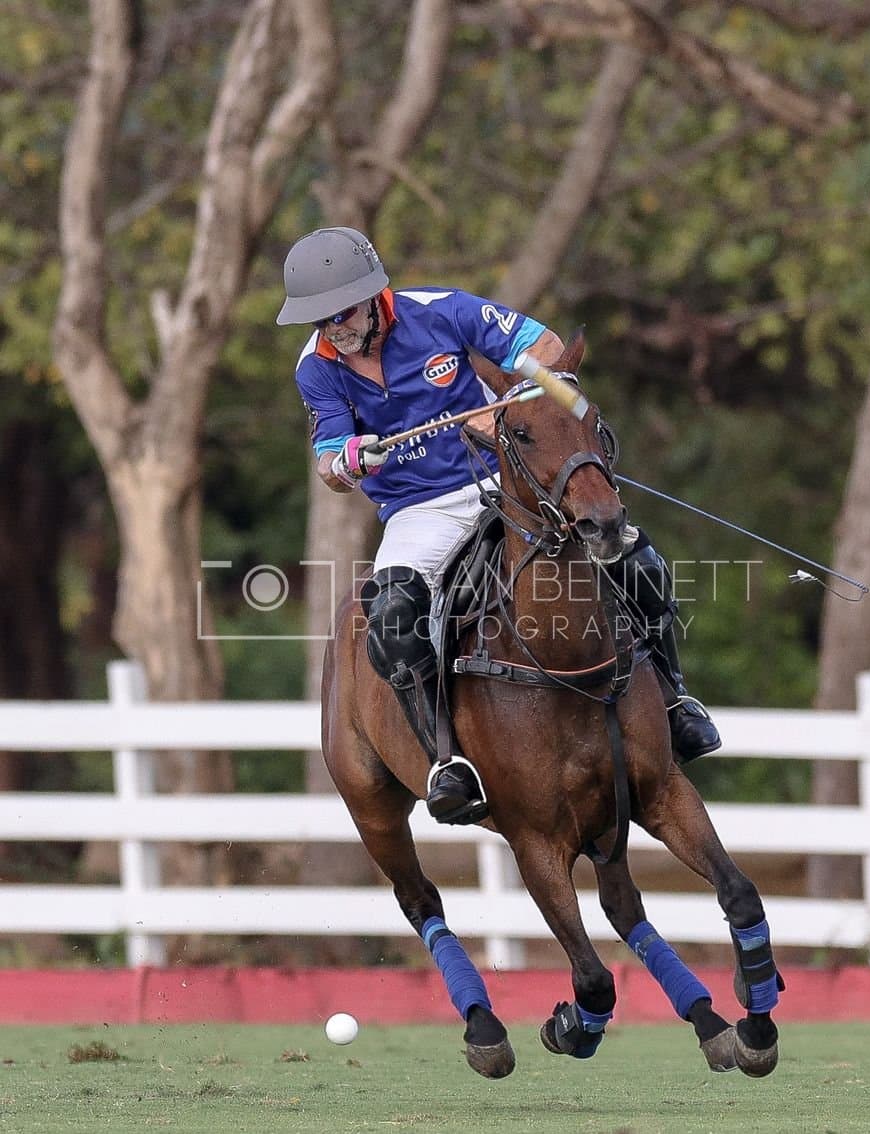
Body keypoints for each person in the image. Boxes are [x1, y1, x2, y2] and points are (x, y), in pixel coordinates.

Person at [277, 227, 720, 825]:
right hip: (417, 510)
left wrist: (511, 409)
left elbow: (546, 346)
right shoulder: (317, 368)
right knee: (389, 613)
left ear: (375, 296)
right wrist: (350, 459)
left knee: (633, 558)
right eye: (320, 320)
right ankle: (446, 761)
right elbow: (330, 463)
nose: (335, 329)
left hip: (500, 483)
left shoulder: (443, 311)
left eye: (343, 313)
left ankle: (673, 701)